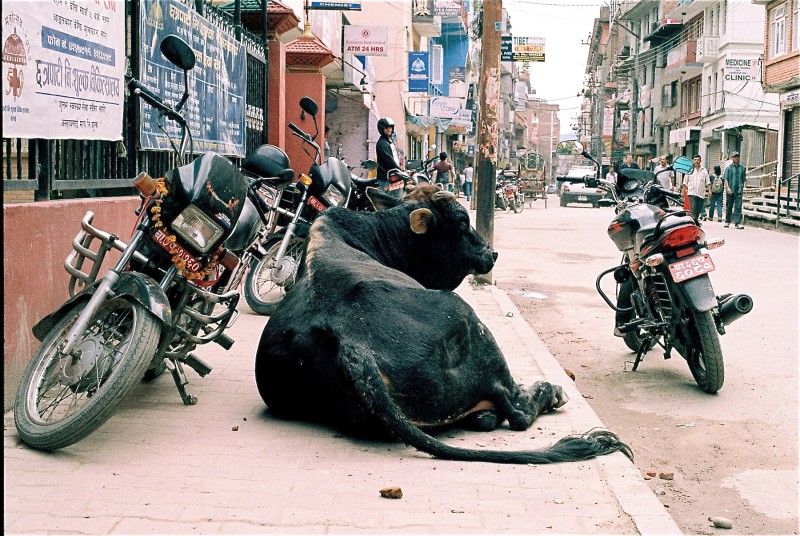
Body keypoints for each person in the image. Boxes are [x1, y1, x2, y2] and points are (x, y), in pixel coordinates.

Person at [375, 117, 404, 200]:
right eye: (386, 128)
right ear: (382, 129)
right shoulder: (382, 143)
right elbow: (389, 161)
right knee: (389, 201)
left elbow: (394, 157)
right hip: (386, 177)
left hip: (393, 175)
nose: (389, 129)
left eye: (390, 127)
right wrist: (400, 171)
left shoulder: (388, 141)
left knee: (397, 199)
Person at [682, 154, 710, 222]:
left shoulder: (704, 170)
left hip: (701, 193)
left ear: (700, 161)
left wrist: (710, 190)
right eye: (695, 160)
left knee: (698, 209)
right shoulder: (689, 170)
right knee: (693, 207)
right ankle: (693, 222)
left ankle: (695, 220)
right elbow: (685, 182)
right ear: (693, 160)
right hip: (692, 192)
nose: (696, 161)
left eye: (698, 160)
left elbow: (708, 181)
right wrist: (683, 191)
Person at [723, 151, 746, 229]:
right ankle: (727, 221)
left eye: (737, 156)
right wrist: (728, 188)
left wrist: (742, 186)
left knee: (738, 207)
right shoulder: (728, 168)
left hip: (739, 191)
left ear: (739, 158)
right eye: (734, 157)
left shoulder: (742, 169)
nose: (736, 158)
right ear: (732, 158)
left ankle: (737, 223)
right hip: (730, 191)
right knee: (729, 207)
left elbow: (743, 180)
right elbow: (725, 179)